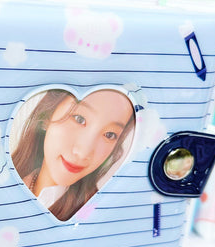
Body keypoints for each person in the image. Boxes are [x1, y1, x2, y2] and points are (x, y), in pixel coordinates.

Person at [11, 88, 135, 221]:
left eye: (109, 135)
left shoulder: (97, 216)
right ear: (48, 114)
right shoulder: (6, 177)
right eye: (79, 119)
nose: (83, 153)